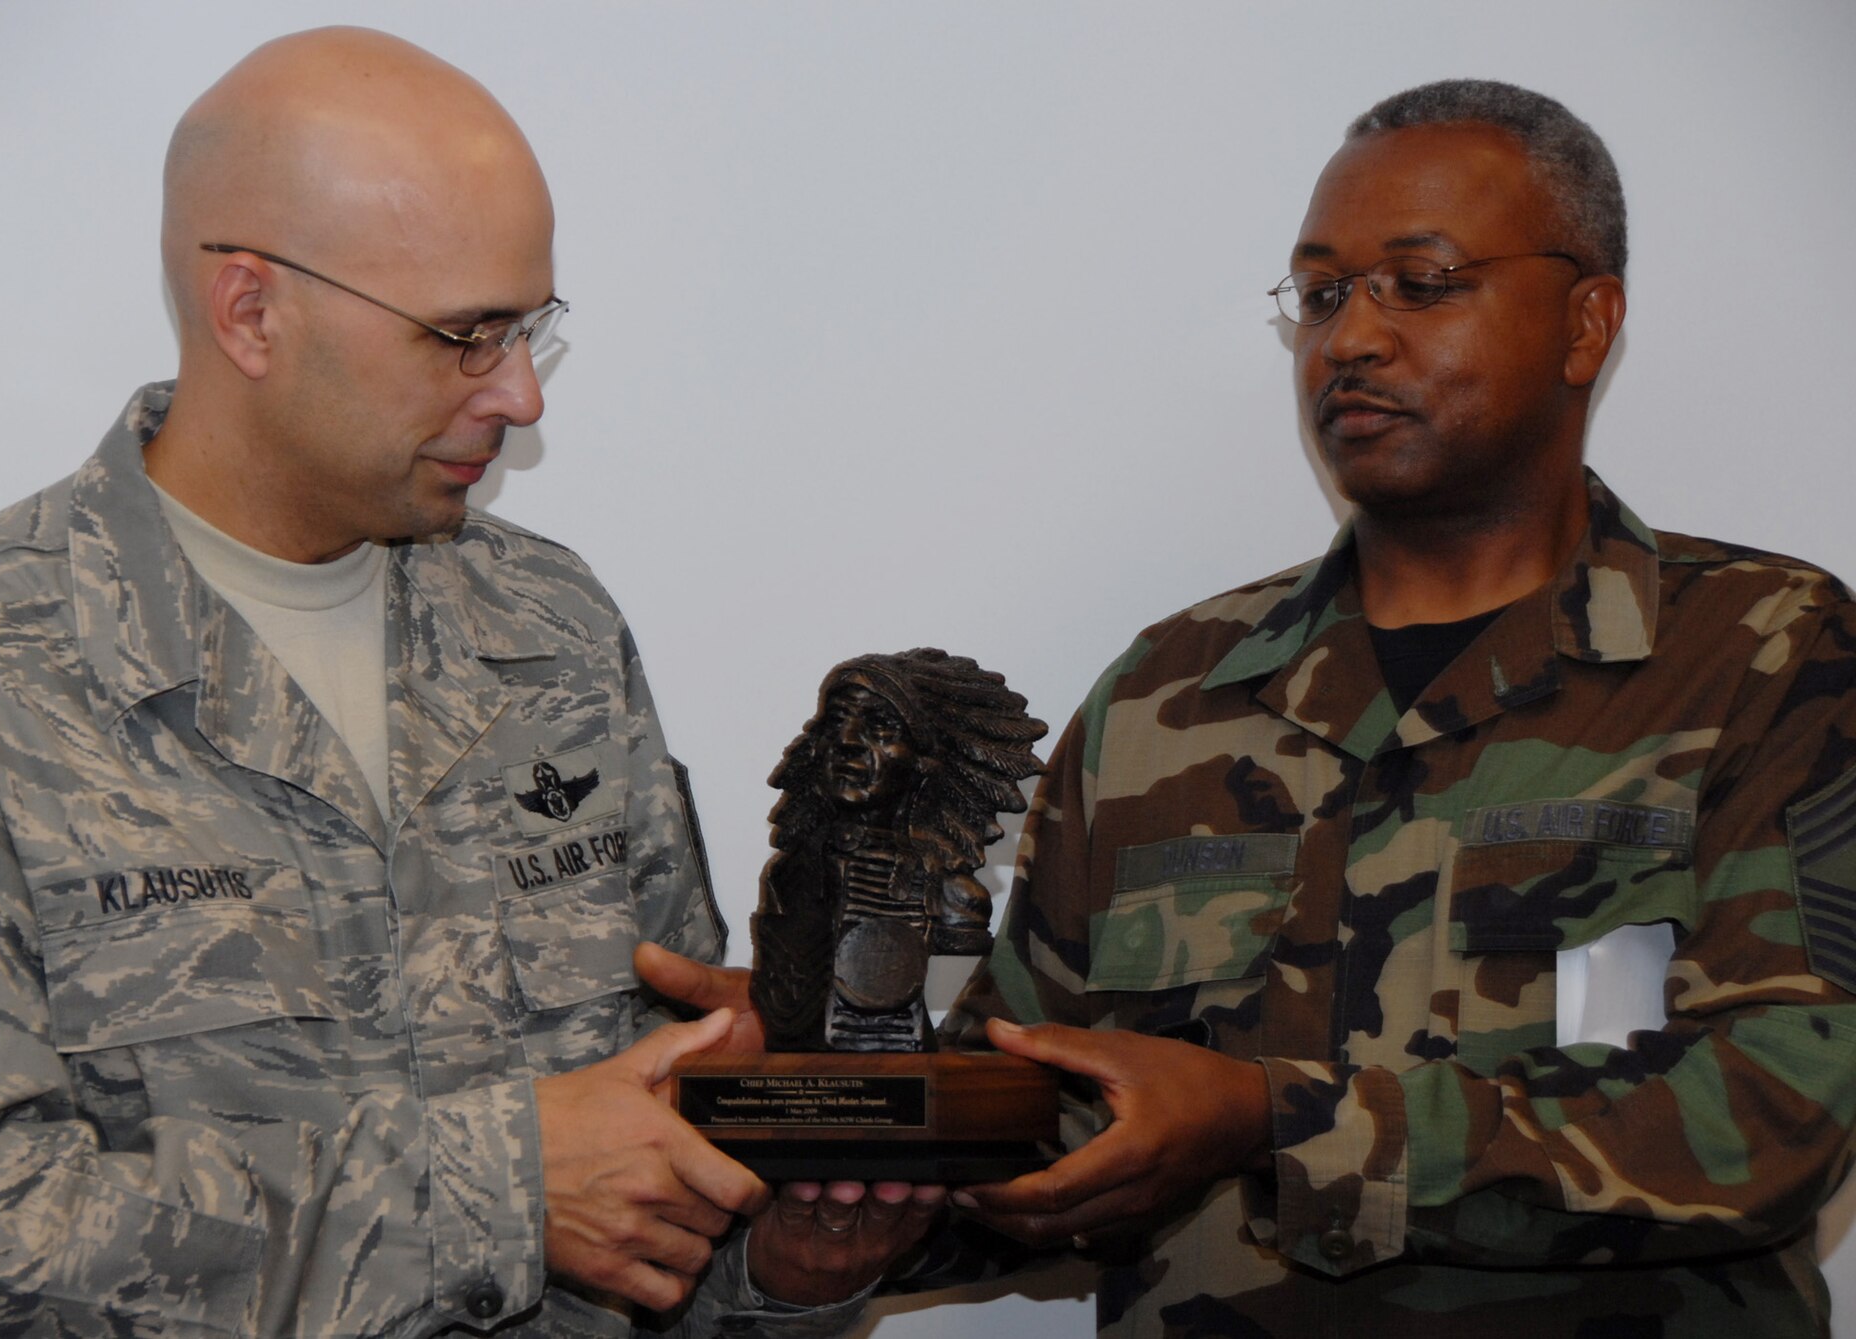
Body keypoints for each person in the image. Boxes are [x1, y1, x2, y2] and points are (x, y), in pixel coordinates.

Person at [638, 79, 1856, 1335]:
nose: (1352, 338)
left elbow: (1778, 1114)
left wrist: (1268, 1122)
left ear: (1584, 322)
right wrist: (826, 1103)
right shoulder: (1167, 694)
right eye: (1320, 294)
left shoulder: (1764, 652)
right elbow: (1042, 1104)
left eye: (1419, 283)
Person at [0, 27, 931, 1337]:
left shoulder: (549, 627)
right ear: (252, 311)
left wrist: (779, 1264)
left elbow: (646, 1162)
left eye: (531, 328)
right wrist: (495, 1193)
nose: (523, 395)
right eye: (466, 336)